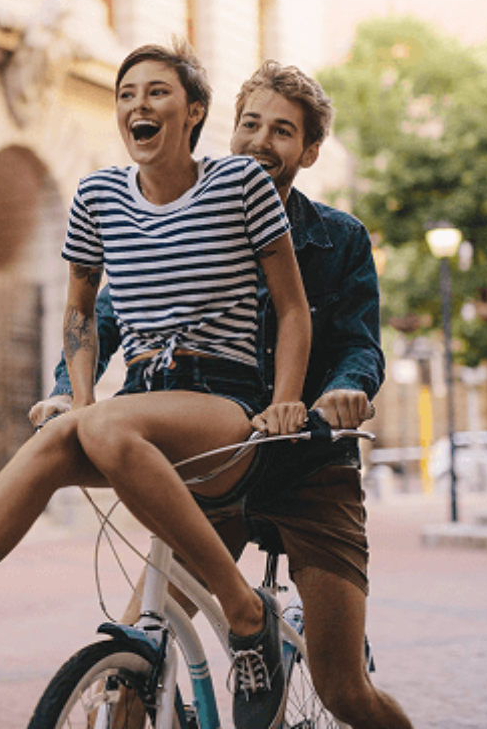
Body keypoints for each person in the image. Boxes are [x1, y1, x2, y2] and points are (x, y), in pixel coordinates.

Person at [0, 42, 310, 729]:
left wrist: (284, 400)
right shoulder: (97, 196)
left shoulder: (239, 186)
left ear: (193, 111)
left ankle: (246, 615)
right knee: (59, 436)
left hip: (225, 407)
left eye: (158, 91)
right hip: (141, 400)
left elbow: (290, 307)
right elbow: (80, 311)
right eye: (127, 92)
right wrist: (78, 400)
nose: (139, 104)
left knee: (102, 422)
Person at [33, 61, 413, 728]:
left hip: (308, 463)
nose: (263, 141)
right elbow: (109, 319)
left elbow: (358, 344)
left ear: (311, 151)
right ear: (227, 129)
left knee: (343, 688)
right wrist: (70, 395)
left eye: (285, 131)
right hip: (215, 465)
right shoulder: (184, 217)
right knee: (135, 659)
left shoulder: (340, 239)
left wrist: (344, 392)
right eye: (251, 124)